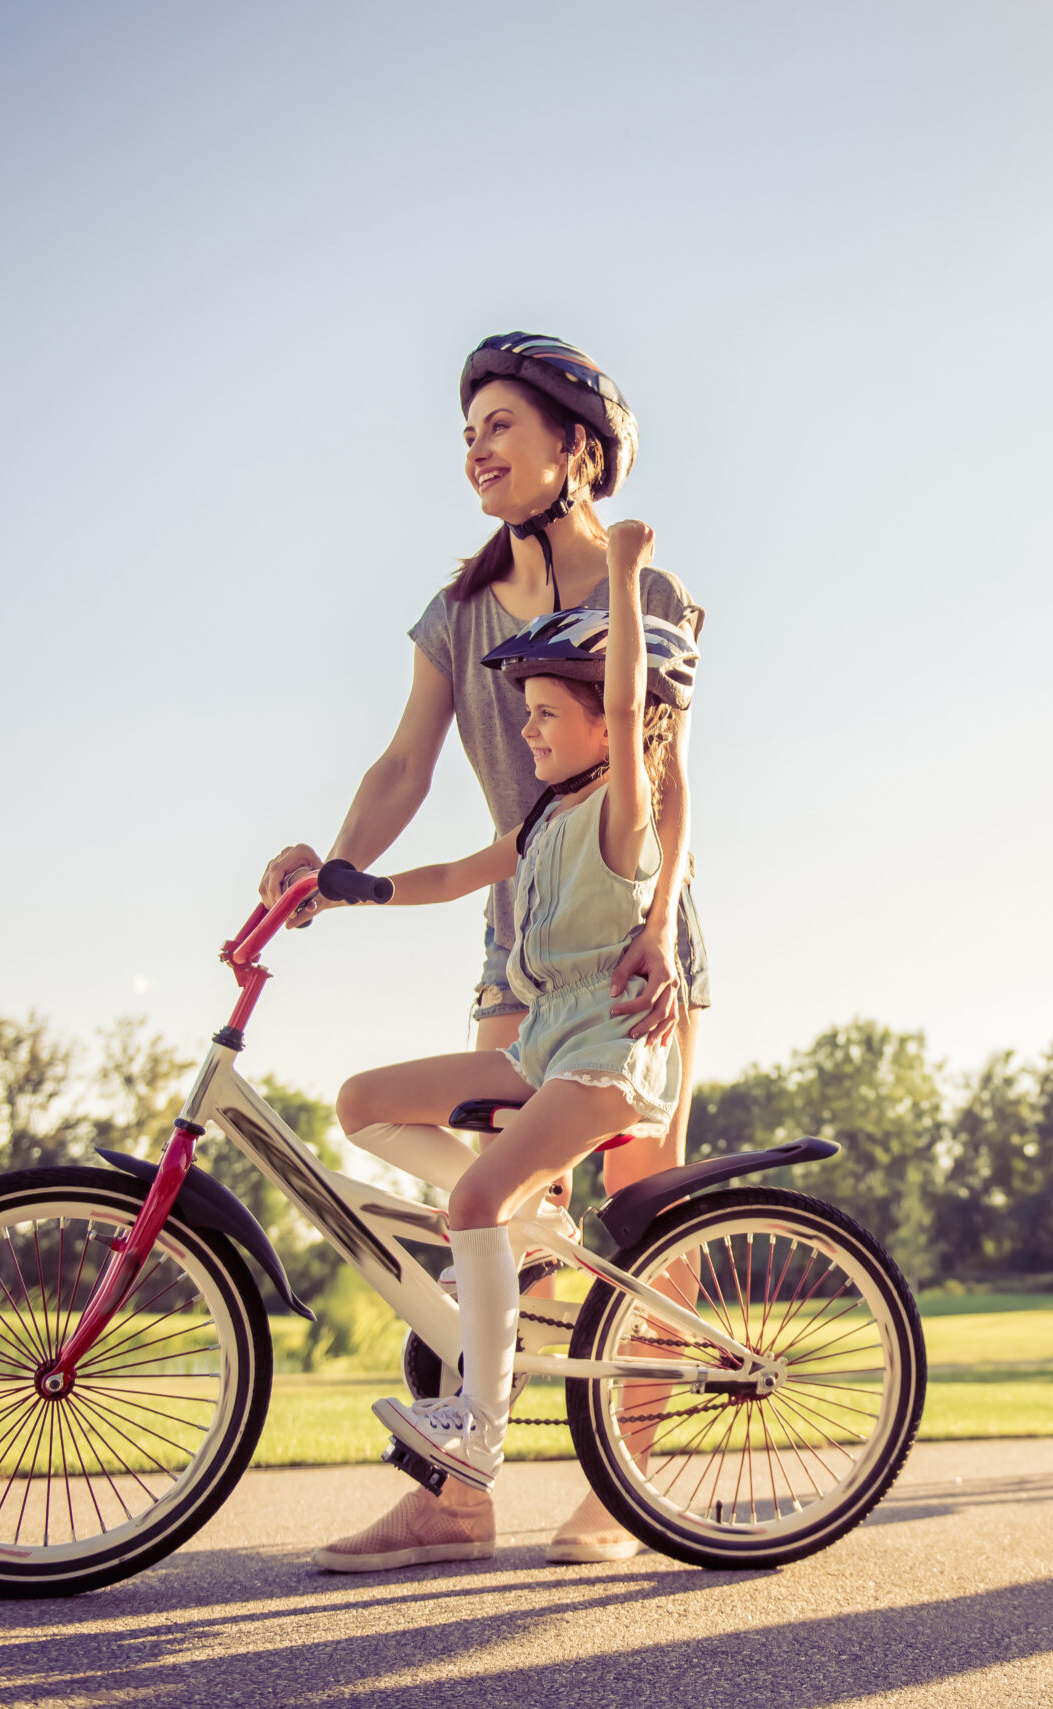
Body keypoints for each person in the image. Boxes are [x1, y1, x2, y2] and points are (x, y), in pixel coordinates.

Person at [262, 332, 707, 1568]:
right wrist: (332, 873)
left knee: (639, 1220)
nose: (477, 446)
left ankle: (622, 1491)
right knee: (481, 1215)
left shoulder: (643, 598)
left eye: (502, 424)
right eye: (468, 429)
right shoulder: (456, 613)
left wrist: (665, 921)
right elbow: (405, 762)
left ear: (577, 448)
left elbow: (673, 785)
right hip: (519, 942)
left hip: (634, 944)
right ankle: (453, 1496)